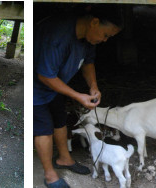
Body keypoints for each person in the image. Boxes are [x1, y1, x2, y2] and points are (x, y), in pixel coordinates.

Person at [33, 6, 123, 188]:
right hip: (36, 88)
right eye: (106, 35)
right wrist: (77, 96)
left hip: (55, 86)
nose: (105, 41)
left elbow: (88, 62)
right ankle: (50, 175)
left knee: (60, 120)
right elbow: (45, 75)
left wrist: (93, 87)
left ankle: (64, 159)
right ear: (94, 22)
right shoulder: (58, 36)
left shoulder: (88, 38)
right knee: (43, 129)